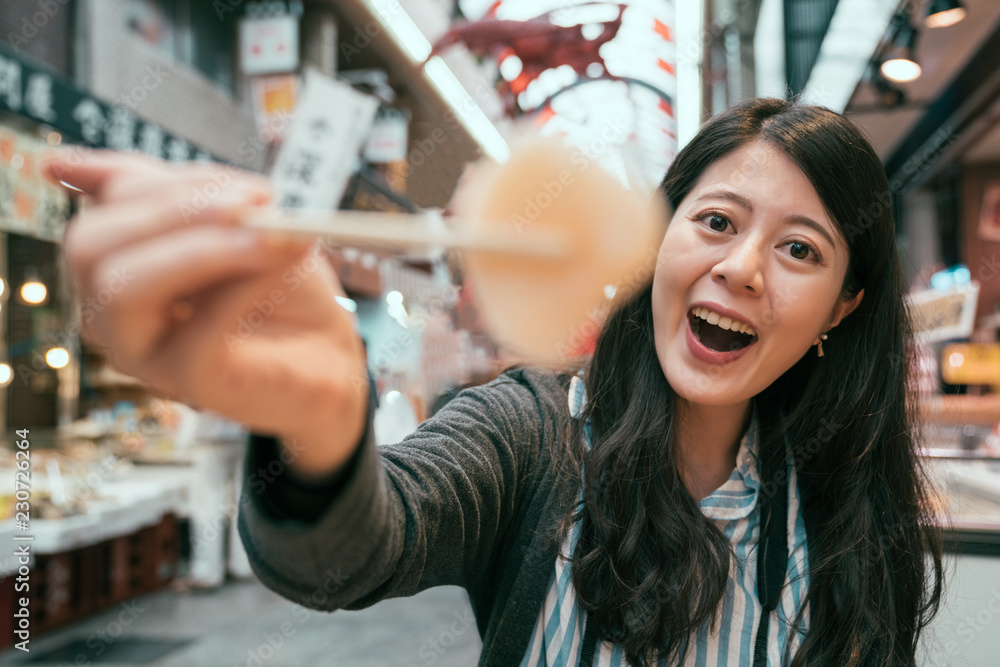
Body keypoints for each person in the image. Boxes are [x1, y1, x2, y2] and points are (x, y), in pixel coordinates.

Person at [52, 97, 944, 666]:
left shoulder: (853, 512)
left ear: (842, 305)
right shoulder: (537, 432)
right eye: (715, 220)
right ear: (657, 241)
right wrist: (317, 417)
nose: (743, 268)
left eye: (799, 249)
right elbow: (353, 554)